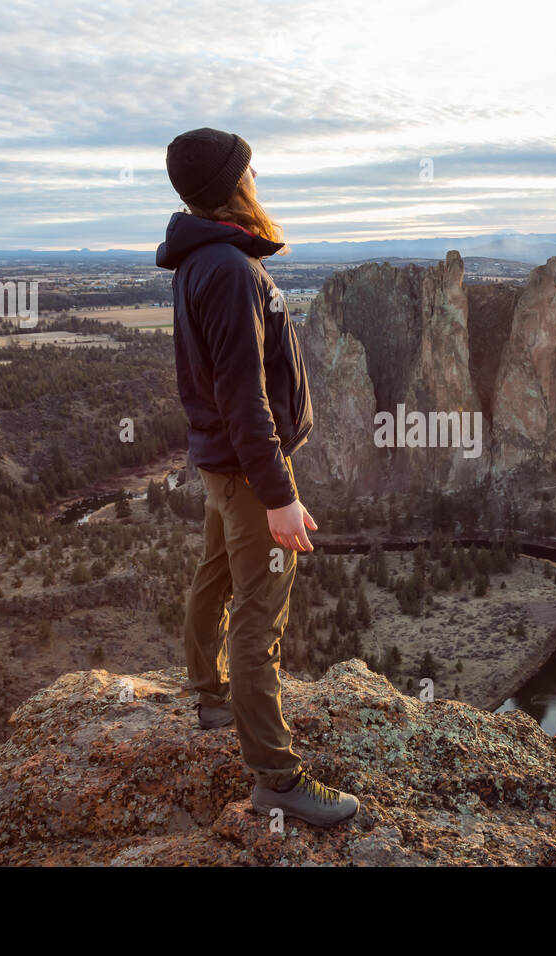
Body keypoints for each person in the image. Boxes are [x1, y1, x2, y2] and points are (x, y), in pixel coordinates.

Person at [157, 127, 359, 827]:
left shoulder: (202, 263)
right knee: (259, 617)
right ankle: (276, 778)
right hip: (248, 472)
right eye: (249, 172)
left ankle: (211, 698)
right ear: (231, 186)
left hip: (223, 466)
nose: (257, 180)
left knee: (214, 579)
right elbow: (246, 400)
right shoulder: (232, 271)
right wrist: (279, 497)